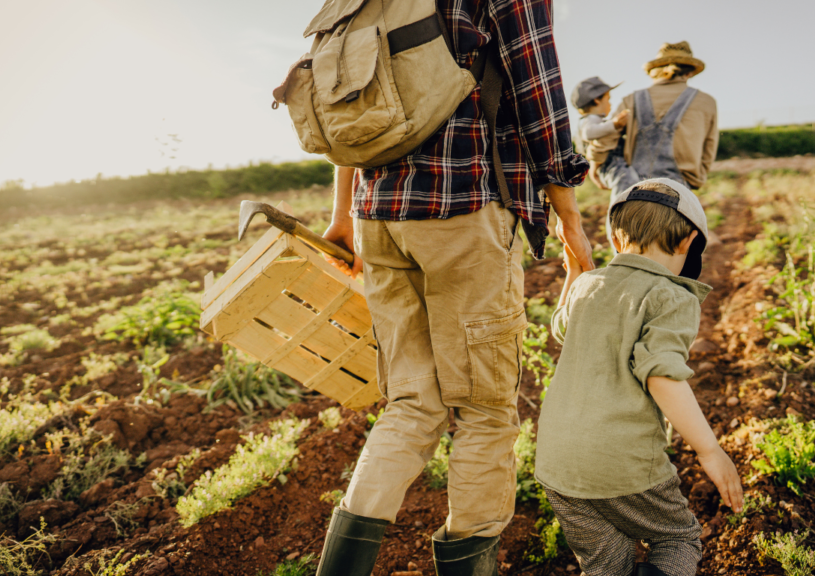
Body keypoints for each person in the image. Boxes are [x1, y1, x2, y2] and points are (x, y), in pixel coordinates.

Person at [315, 1, 594, 575]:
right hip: (463, 207)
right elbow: (537, 88)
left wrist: (342, 212)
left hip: (377, 217)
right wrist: (570, 219)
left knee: (412, 402)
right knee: (485, 410)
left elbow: (346, 101)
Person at [534, 178, 743, 576]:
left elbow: (561, 327)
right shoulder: (671, 296)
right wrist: (709, 450)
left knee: (606, 564)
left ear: (615, 238)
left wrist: (576, 271)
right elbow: (661, 374)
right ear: (688, 242)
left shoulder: (588, 286)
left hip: (557, 466)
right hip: (621, 464)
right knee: (677, 539)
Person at [593, 42, 719, 233]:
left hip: (631, 189)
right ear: (690, 72)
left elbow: (606, 138)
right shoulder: (707, 102)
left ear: (655, 71)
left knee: (627, 250)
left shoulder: (631, 100)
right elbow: (709, 147)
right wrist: (695, 179)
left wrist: (596, 165)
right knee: (672, 253)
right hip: (679, 191)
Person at [571, 76, 628, 167]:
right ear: (597, 100)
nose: (610, 103)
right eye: (608, 99)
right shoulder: (591, 118)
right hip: (608, 164)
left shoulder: (596, 119)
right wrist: (614, 124)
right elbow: (588, 133)